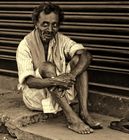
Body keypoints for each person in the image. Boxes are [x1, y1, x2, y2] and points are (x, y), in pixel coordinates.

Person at [16, 2, 102, 134]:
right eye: (45, 24)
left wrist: (71, 76)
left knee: (79, 60)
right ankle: (72, 118)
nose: (50, 29)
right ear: (36, 24)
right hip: (37, 98)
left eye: (54, 25)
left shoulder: (60, 39)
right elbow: (30, 82)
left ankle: (84, 113)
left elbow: (86, 55)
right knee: (46, 67)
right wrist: (56, 81)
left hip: (61, 93)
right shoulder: (25, 45)